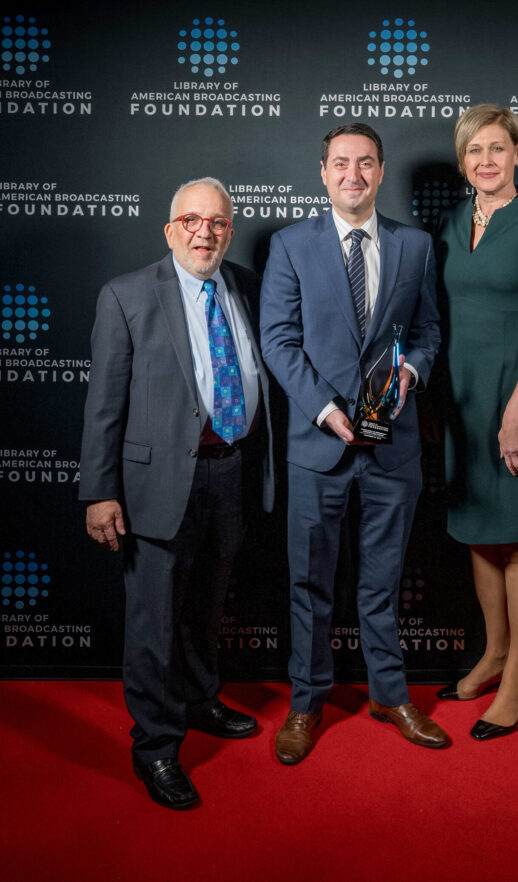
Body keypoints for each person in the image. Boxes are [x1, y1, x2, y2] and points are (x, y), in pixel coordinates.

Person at [79, 177, 274, 808]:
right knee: (153, 621)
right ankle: (157, 748)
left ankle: (198, 701)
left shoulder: (247, 285)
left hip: (230, 470)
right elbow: (104, 404)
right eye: (192, 220)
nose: (204, 232)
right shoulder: (128, 295)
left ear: (230, 231)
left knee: (206, 608)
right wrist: (99, 491)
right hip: (155, 483)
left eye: (217, 222)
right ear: (170, 230)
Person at [260, 123, 447, 764]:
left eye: (365, 163)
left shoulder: (415, 245)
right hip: (319, 448)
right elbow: (278, 340)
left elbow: (427, 329)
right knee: (309, 585)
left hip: (393, 446)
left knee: (382, 582)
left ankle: (389, 695)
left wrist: (413, 369)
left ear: (381, 171)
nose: (353, 175)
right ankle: (307, 702)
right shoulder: (290, 244)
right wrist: (324, 410)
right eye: (341, 163)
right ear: (323, 172)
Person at [434, 104, 518, 740]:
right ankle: (492, 654)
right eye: (474, 150)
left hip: (517, 399)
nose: (485, 160)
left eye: (497, 148)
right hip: (462, 401)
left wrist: (516, 415)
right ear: (462, 161)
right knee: (479, 534)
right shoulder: (451, 221)